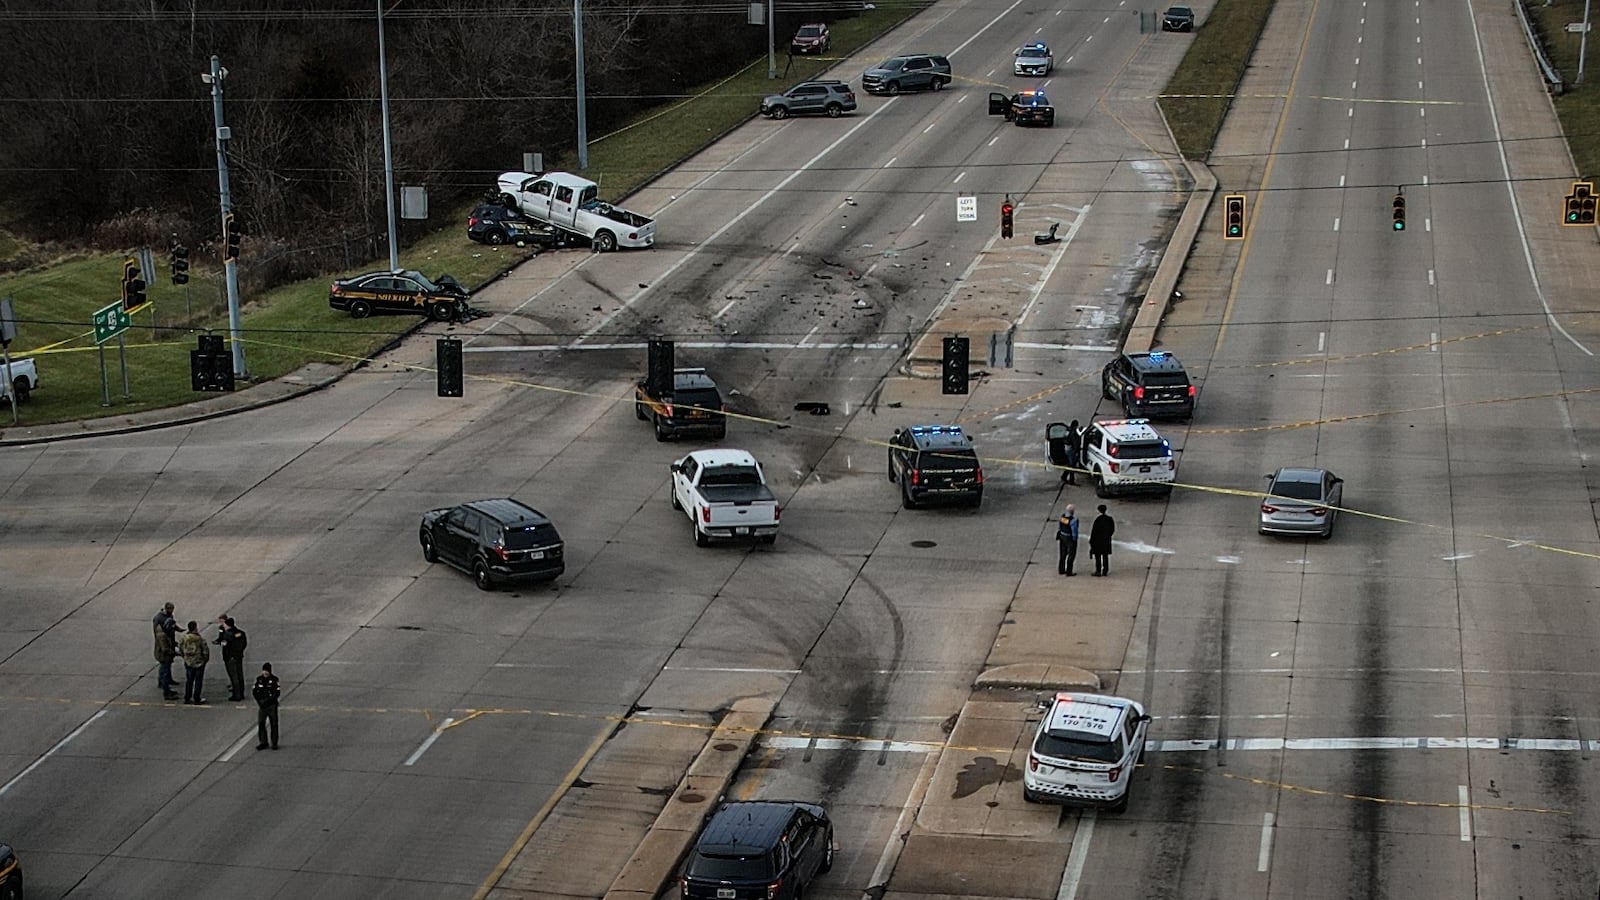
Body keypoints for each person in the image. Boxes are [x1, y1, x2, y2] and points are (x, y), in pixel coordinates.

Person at [213, 615, 248, 702]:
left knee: (234, 676)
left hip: (230, 657)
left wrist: (220, 643)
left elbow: (224, 644)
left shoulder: (227, 635)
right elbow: (244, 644)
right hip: (238, 656)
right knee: (240, 675)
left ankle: (236, 695)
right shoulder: (240, 633)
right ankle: (241, 693)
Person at [151, 603, 179, 701]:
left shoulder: (168, 618)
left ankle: (165, 682)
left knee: (166, 667)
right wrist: (176, 652)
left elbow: (173, 624)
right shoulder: (159, 621)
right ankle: (165, 689)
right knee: (165, 669)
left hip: (167, 646)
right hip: (163, 653)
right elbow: (165, 649)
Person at [178, 620, 209, 705]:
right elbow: (205, 650)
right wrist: (205, 659)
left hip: (188, 661)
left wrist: (184, 657)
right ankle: (196, 698)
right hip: (199, 661)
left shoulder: (184, 638)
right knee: (198, 681)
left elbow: (180, 648)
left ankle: (187, 697)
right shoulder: (199, 639)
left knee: (189, 680)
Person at [253, 663, 281, 750]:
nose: (265, 673)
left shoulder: (274, 680)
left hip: (271, 705)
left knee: (274, 724)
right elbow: (255, 691)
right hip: (262, 706)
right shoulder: (259, 679)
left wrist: (268, 701)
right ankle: (263, 742)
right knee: (261, 723)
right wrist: (259, 701)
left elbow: (277, 693)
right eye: (264, 671)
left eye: (267, 671)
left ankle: (274, 743)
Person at [1090, 504, 1116, 576]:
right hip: (1106, 540)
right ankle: (1105, 570)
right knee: (1105, 556)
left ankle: (1098, 571)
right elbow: (1112, 530)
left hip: (1098, 541)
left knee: (1098, 556)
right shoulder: (1109, 519)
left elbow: (1094, 532)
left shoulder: (1097, 520)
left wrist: (1092, 541)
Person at [1056, 505, 1079, 576]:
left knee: (1062, 554)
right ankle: (1069, 571)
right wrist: (1075, 539)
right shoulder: (1073, 520)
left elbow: (1060, 527)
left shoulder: (1062, 518)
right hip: (1069, 538)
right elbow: (1074, 531)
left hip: (1062, 537)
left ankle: (1061, 569)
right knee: (1071, 555)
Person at [1062, 420, 1081, 485]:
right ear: (1075, 426)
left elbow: (1064, 438)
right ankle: (1071, 481)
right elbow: (1075, 443)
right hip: (1071, 450)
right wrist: (1076, 451)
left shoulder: (1067, 430)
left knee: (1070, 464)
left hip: (1066, 448)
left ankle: (1064, 476)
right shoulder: (1073, 433)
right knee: (1072, 465)